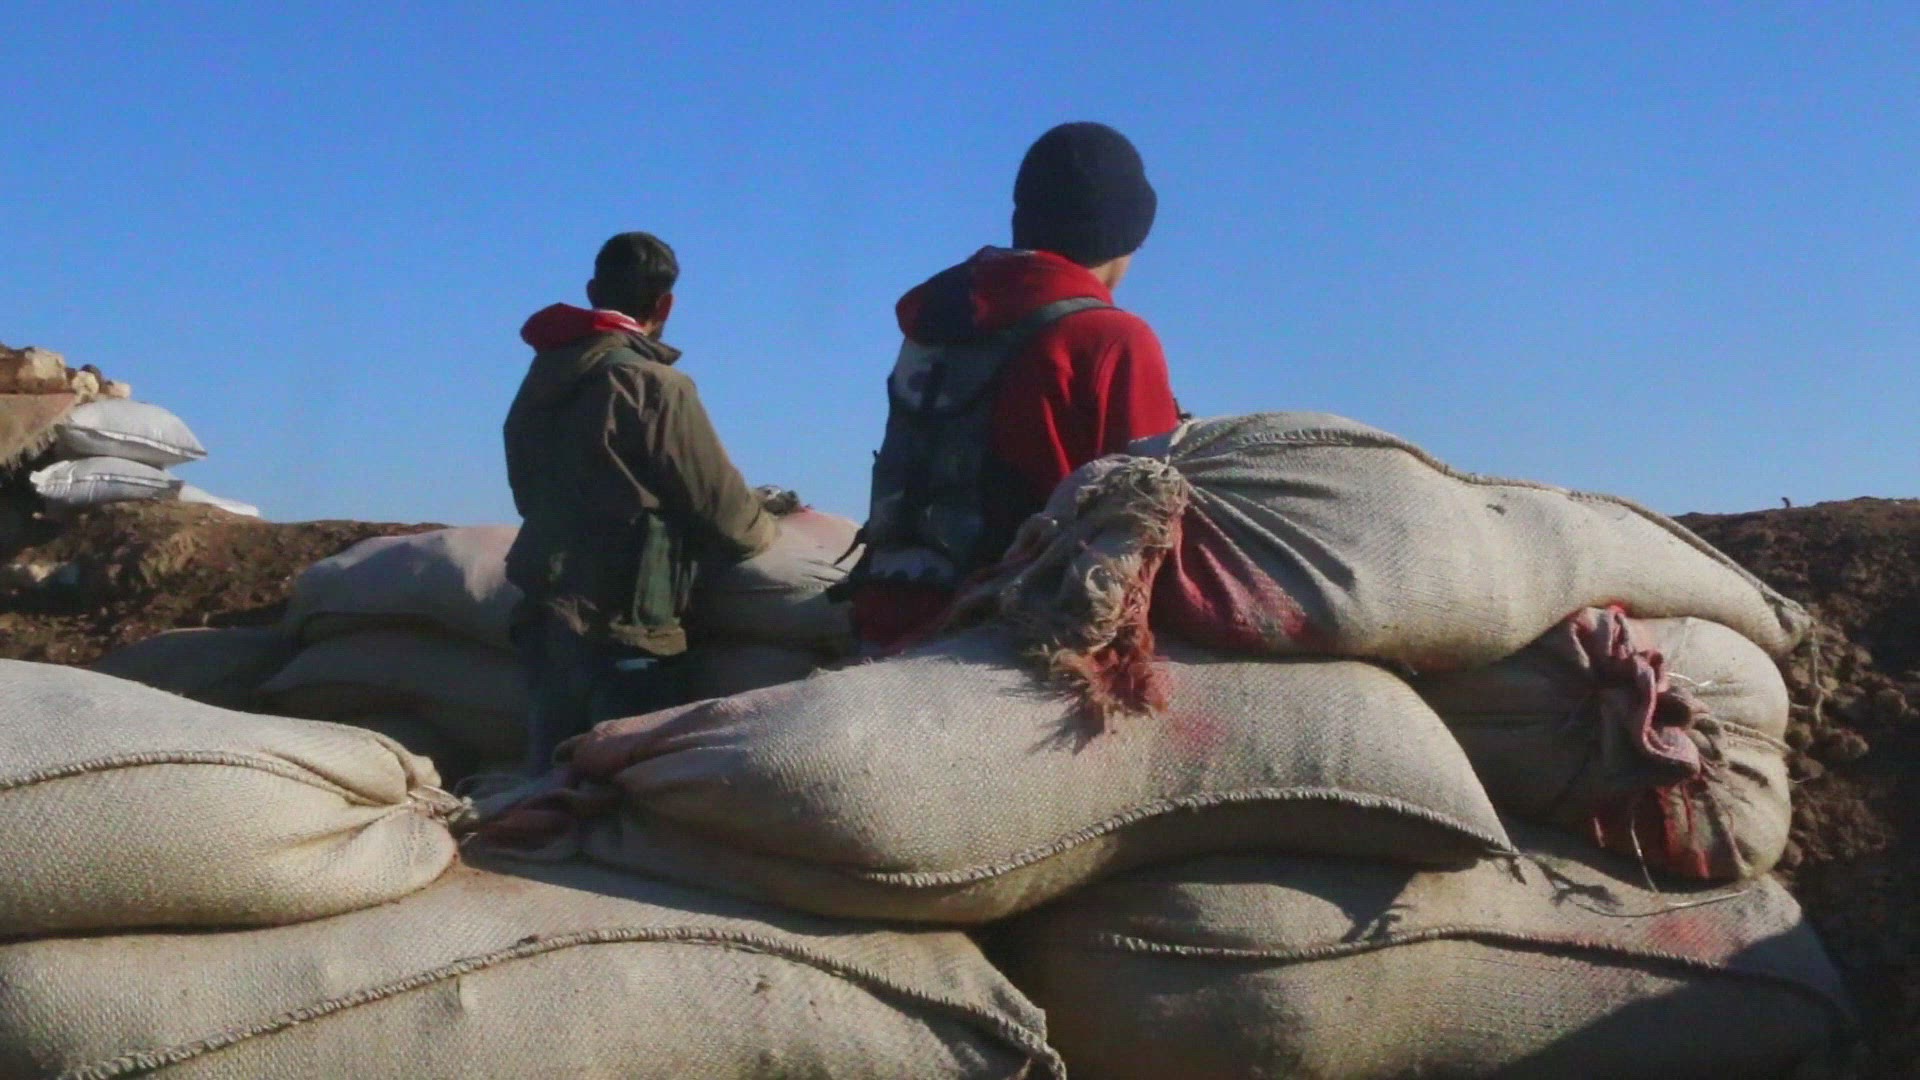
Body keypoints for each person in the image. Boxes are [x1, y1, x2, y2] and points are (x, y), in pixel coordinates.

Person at [847, 121, 1181, 653]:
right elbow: (1154, 523)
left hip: (885, 613)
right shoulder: (1111, 338)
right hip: (1006, 629)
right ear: (1127, 233)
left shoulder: (937, 322)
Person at [503, 232, 774, 771]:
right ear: (665, 305)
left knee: (548, 784)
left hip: (546, 612)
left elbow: (526, 489)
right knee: (625, 790)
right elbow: (726, 517)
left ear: (592, 292)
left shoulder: (543, 378)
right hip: (627, 630)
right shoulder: (656, 385)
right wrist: (771, 520)